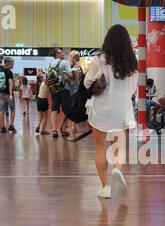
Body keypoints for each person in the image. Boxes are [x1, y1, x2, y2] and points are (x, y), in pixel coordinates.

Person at [84, 24, 138, 199]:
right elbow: (133, 88)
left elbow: (87, 83)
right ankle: (117, 169)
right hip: (121, 110)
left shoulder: (100, 59)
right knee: (118, 148)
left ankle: (105, 187)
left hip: (100, 109)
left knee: (100, 148)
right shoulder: (132, 62)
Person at [48, 48, 74, 138]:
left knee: (54, 110)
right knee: (67, 110)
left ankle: (54, 130)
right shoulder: (65, 62)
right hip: (64, 89)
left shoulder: (51, 64)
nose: (63, 53)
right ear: (57, 54)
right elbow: (70, 75)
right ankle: (63, 129)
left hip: (54, 89)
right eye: (61, 52)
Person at [65, 50, 83, 133]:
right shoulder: (71, 65)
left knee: (73, 107)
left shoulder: (75, 65)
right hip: (71, 88)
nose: (77, 57)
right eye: (76, 56)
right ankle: (71, 125)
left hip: (74, 88)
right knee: (72, 107)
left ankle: (72, 126)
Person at [0, 57, 17, 134]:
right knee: (12, 109)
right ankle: (11, 126)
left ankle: (2, 127)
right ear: (8, 63)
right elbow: (10, 84)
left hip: (1, 93)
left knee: (2, 110)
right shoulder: (9, 72)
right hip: (8, 94)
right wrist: (11, 94)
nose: (13, 65)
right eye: (12, 63)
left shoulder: (0, 70)